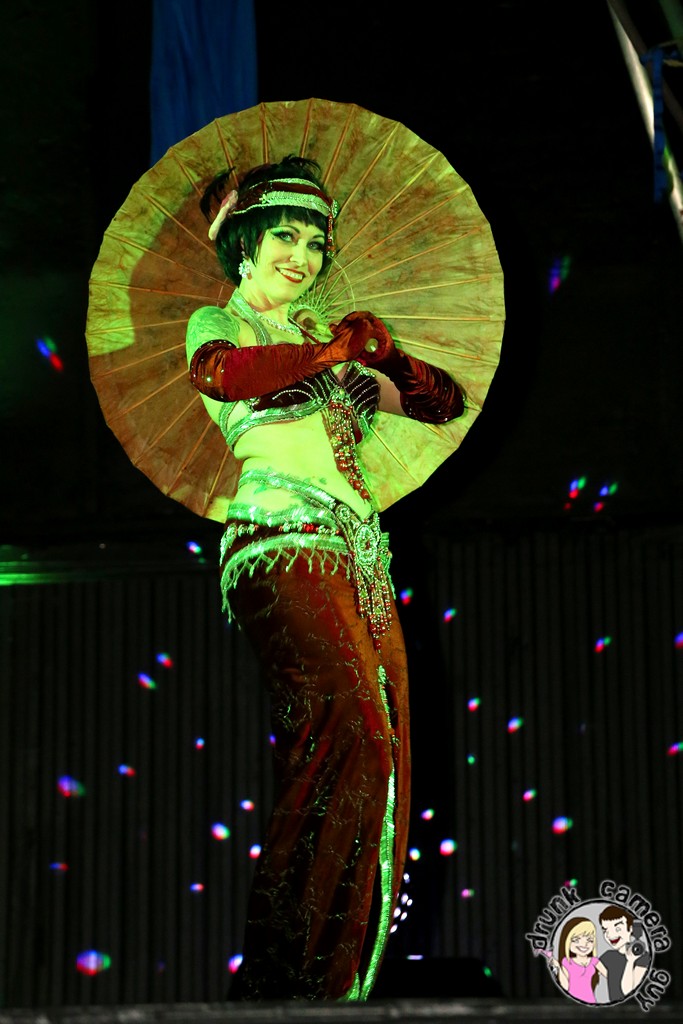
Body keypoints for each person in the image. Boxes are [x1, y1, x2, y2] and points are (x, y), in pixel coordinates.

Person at [185, 154, 465, 1001]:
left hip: (358, 558)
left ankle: (336, 980)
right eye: (284, 236)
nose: (301, 256)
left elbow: (442, 403)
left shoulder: (325, 343)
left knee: (385, 757)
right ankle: (283, 979)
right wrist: (332, 350)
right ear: (243, 243)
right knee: (343, 738)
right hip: (281, 543)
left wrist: (390, 358)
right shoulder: (219, 324)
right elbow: (222, 376)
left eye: (315, 242)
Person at [551, 916, 608, 1004]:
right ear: (567, 941)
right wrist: (558, 968)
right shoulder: (566, 962)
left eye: (589, 940)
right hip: (572, 1003)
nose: (584, 944)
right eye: (576, 940)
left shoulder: (594, 961)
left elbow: (610, 977)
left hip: (590, 1001)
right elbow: (565, 986)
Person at [599, 905, 651, 1001]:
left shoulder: (643, 957)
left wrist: (630, 961)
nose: (610, 935)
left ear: (630, 929)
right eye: (605, 930)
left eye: (618, 929)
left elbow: (627, 991)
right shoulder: (608, 956)